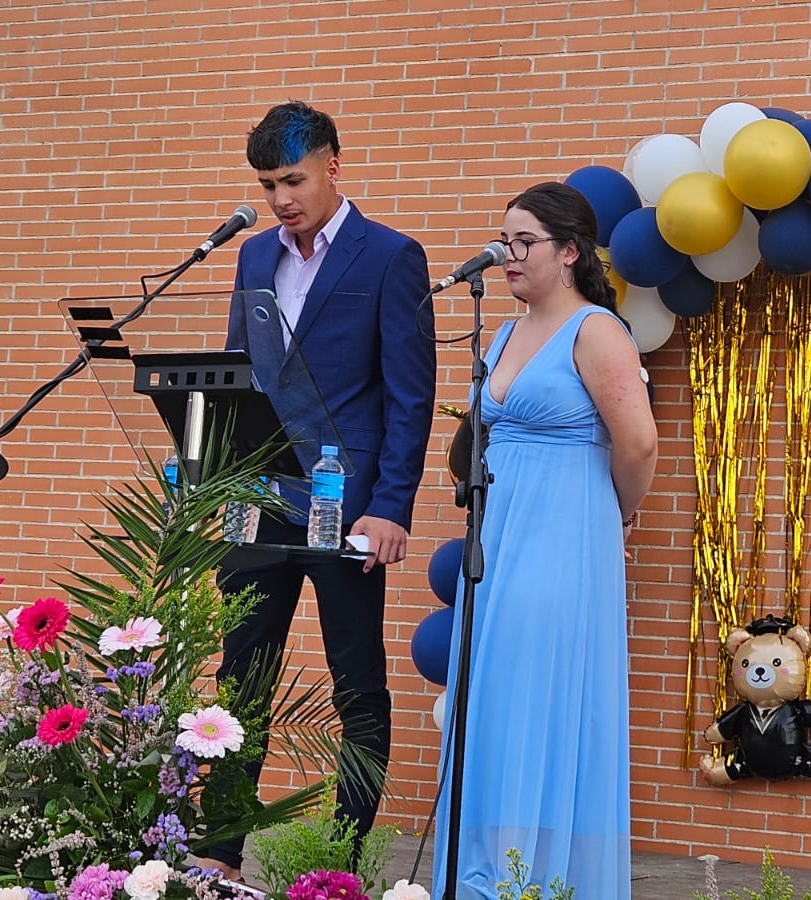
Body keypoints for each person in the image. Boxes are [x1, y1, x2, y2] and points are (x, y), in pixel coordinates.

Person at [202, 101, 436, 879]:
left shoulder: (391, 256)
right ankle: (220, 855)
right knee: (241, 680)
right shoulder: (252, 258)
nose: (279, 199)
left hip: (349, 503)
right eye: (267, 184)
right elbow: (240, 381)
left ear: (334, 164)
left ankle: (337, 859)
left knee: (356, 685)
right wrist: (223, 485)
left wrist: (392, 506)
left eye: (292, 179)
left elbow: (409, 396)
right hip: (259, 499)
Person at [433, 182, 658, 897]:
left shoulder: (597, 331)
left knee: (538, 698)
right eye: (504, 240)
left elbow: (640, 443)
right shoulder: (504, 331)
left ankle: (531, 879)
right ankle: (483, 876)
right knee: (494, 702)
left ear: (569, 252)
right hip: (498, 539)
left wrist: (610, 517)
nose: (507, 255)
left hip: (564, 535)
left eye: (523, 241)